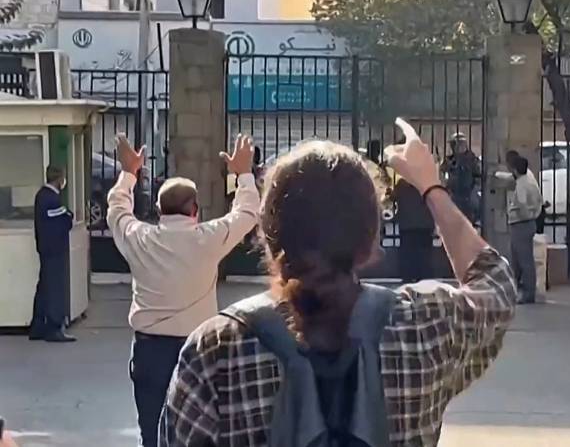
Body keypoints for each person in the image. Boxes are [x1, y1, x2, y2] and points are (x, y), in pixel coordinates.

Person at [160, 133, 517, 446]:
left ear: (269, 237)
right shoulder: (426, 325)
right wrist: (430, 186)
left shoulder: (216, 348)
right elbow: (495, 283)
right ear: (369, 240)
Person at [107, 133, 259, 447]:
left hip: (149, 350)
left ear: (159, 210)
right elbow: (246, 213)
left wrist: (128, 173)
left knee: (151, 431)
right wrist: (243, 174)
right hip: (199, 348)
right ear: (195, 211)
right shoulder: (208, 237)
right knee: (199, 432)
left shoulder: (140, 238)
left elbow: (117, 211)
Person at [28, 165, 75, 343]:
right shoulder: (52, 199)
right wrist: (68, 216)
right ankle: (54, 327)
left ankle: (38, 325)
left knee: (45, 286)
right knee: (55, 287)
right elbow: (65, 220)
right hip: (54, 249)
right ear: (59, 179)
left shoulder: (42, 196)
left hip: (45, 248)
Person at [505, 151, 543, 304]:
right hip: (528, 223)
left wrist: (524, 214)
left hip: (521, 224)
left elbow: (521, 204)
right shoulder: (529, 178)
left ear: (514, 170)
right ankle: (516, 290)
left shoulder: (521, 185)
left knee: (523, 260)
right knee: (519, 260)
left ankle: (528, 293)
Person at [393, 177, 435, 282]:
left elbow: (393, 198)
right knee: (423, 258)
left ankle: (407, 278)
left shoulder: (401, 184)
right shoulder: (426, 183)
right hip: (424, 225)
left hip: (407, 225)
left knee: (408, 256)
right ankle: (423, 279)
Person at [441, 132, 481, 222]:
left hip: (468, 195)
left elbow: (478, 176)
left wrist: (473, 190)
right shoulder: (450, 159)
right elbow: (442, 172)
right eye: (452, 144)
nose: (453, 146)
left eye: (454, 144)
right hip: (453, 195)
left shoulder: (471, 159)